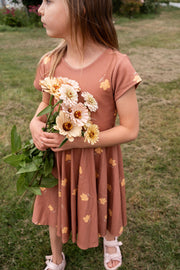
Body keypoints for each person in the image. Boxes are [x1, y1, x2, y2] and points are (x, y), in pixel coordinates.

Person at [30, 0, 142, 269]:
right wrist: (35, 124)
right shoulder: (50, 61)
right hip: (59, 160)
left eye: (49, 1)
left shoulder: (117, 65)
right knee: (56, 205)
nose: (40, 9)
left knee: (104, 199)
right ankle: (56, 257)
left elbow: (130, 128)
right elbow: (46, 103)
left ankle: (111, 238)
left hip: (99, 160)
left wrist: (75, 142)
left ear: (81, 7)